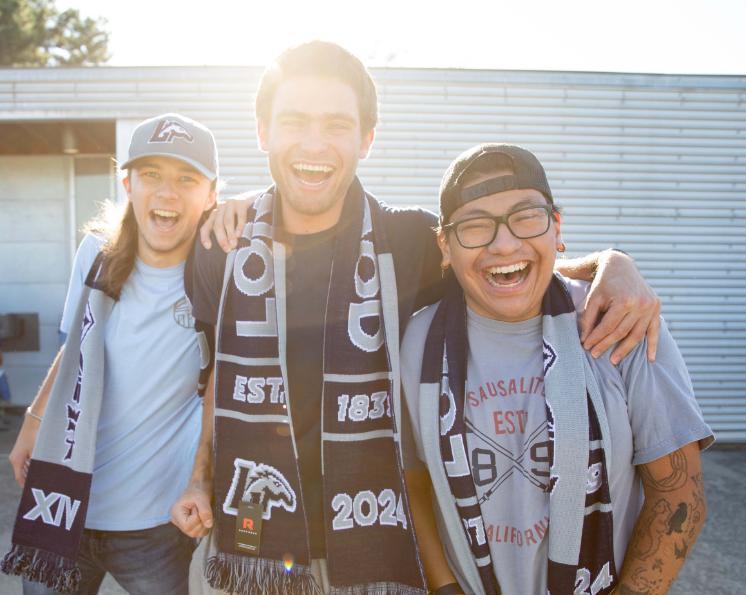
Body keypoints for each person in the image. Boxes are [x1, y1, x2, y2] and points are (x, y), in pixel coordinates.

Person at [171, 41, 662, 594]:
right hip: (249, 552)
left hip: (378, 556)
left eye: (336, 124)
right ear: (263, 132)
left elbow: (509, 258)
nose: (314, 143)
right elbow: (221, 374)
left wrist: (611, 264)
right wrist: (199, 477)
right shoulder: (222, 250)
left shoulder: (408, 242)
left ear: (366, 139)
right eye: (294, 122)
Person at [400, 143, 714, 595]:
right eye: (474, 226)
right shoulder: (417, 343)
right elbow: (414, 482)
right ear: (444, 247)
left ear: (557, 228)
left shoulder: (620, 321)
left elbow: (680, 496)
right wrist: (445, 588)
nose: (504, 243)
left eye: (526, 217)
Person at [3, 113, 218, 594]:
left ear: (211, 194)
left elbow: (223, 380)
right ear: (128, 183)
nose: (167, 193)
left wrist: (202, 478)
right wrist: (33, 423)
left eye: (187, 179)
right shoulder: (96, 252)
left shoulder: (217, 269)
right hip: (62, 506)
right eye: (151, 175)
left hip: (155, 523)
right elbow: (75, 347)